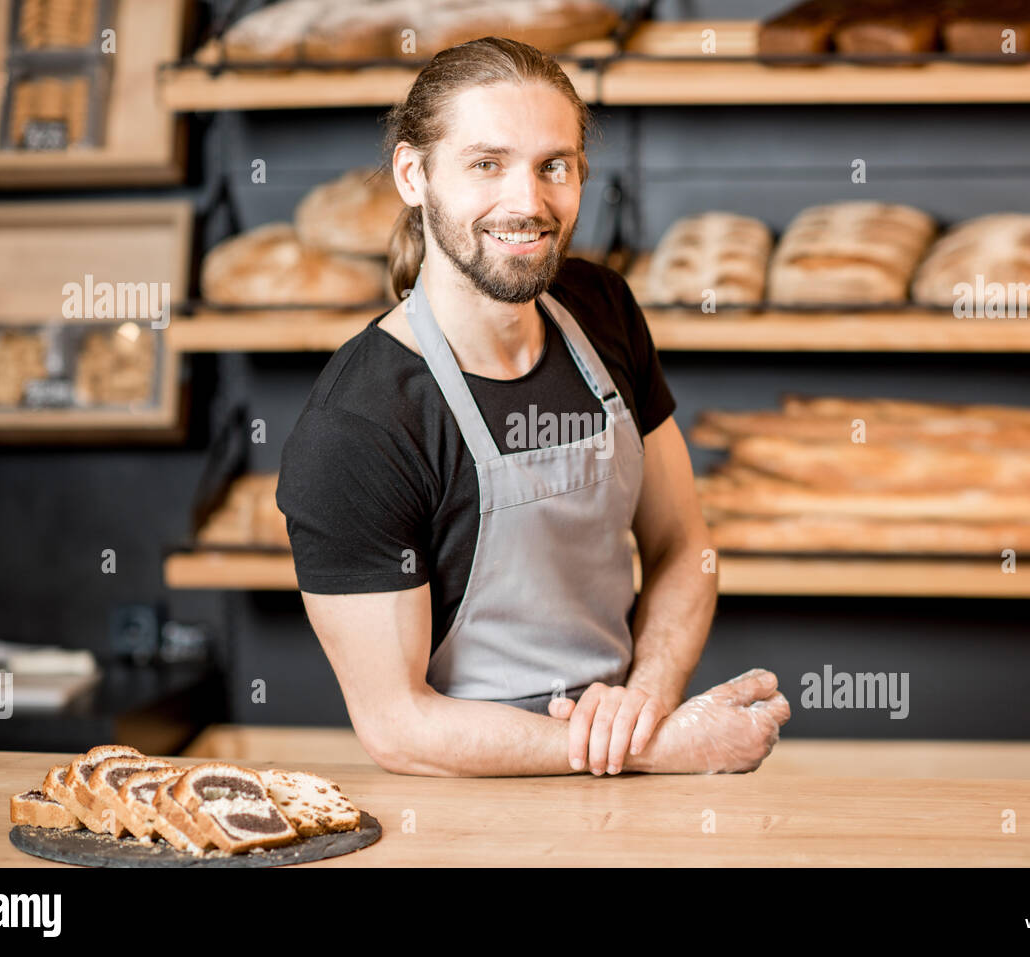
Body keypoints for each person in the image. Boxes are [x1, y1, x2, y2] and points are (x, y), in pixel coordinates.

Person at [277, 36, 790, 777]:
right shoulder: (359, 426)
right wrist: (655, 747)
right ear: (413, 175)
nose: (528, 203)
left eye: (556, 166)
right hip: (470, 809)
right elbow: (397, 726)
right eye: (487, 164)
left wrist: (643, 699)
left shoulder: (602, 307)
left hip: (622, 775)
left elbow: (685, 545)